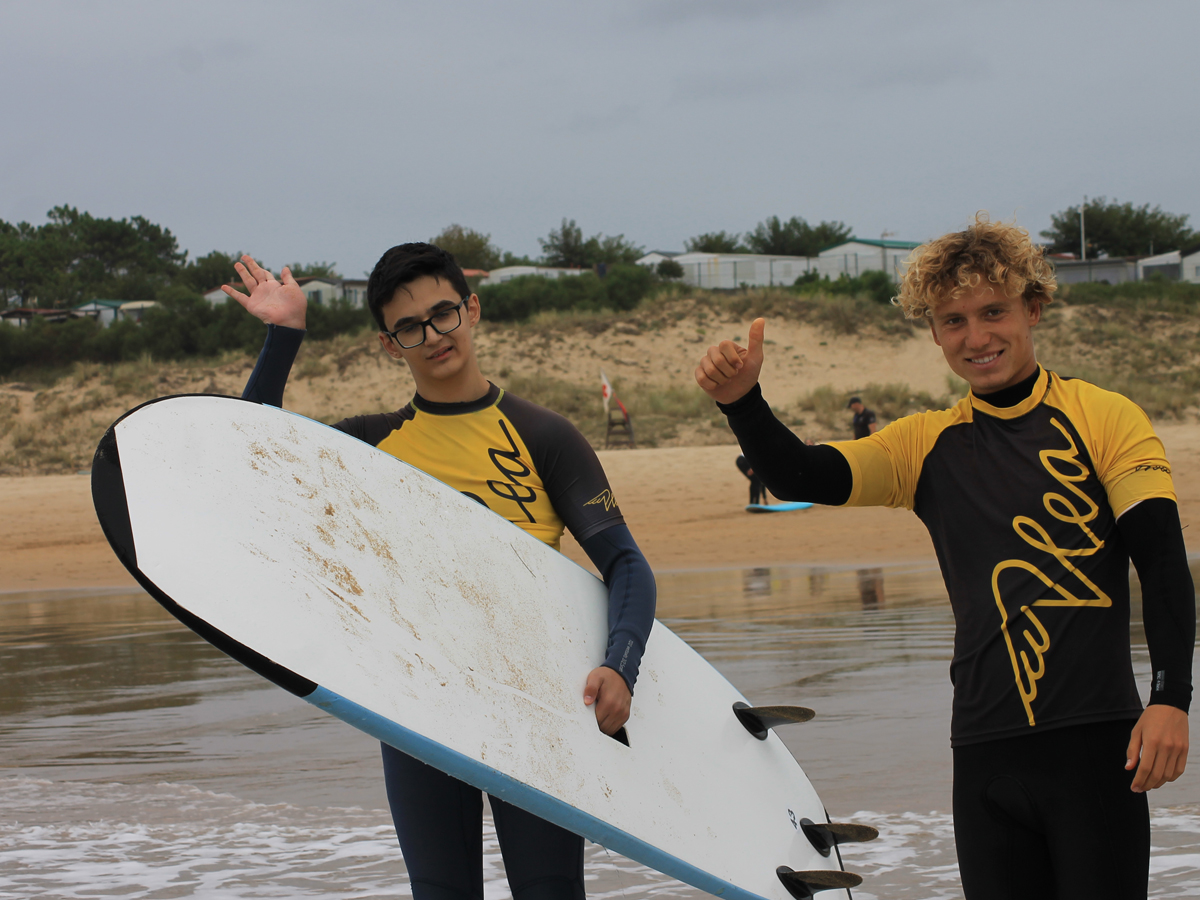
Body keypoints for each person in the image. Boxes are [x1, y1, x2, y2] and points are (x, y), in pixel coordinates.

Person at [694, 215, 1193, 900]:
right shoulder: (926, 445)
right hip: (984, 752)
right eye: (953, 320)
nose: (976, 337)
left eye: (994, 312)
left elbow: (1161, 564)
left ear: (1033, 308)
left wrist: (1170, 700)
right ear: (933, 331)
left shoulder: (1105, 417)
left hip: (1095, 746)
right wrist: (742, 403)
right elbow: (803, 475)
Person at [224, 244, 657, 900]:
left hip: (533, 705)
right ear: (388, 344)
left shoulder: (544, 436)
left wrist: (619, 666)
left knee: (549, 892)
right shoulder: (370, 447)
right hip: (420, 704)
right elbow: (253, 463)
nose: (432, 336)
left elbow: (625, 563)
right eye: (408, 327)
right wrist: (283, 336)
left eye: (443, 314)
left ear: (472, 309)